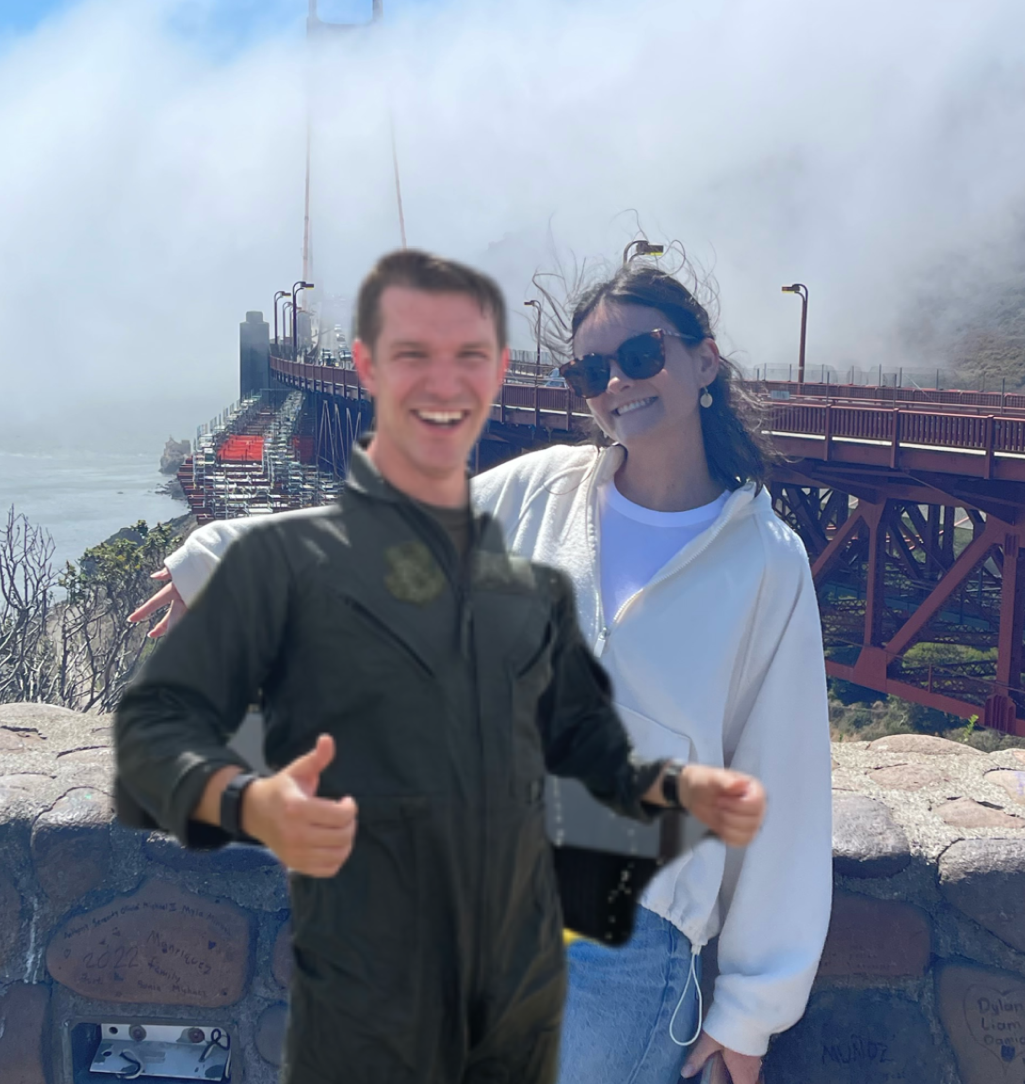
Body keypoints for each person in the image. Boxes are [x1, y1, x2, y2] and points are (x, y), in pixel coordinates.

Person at [134, 258, 832, 1084]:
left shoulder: (763, 560)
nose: (616, 383)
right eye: (590, 370)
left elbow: (781, 781)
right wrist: (220, 560)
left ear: (704, 361)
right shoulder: (542, 492)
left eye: (641, 356)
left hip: (623, 938)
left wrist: (750, 1013)